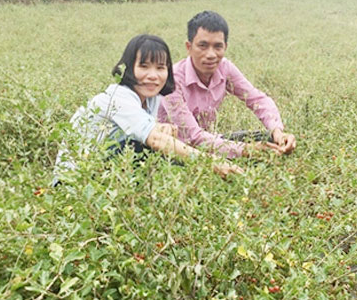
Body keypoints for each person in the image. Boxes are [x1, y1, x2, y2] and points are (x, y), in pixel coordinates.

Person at [53, 34, 242, 184]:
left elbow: (157, 133)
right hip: (74, 183)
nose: (153, 76)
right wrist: (212, 163)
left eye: (160, 68)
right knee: (145, 148)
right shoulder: (118, 97)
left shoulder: (153, 99)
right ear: (127, 69)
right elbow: (156, 140)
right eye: (144, 66)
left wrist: (162, 128)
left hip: (104, 174)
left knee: (164, 152)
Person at [158, 11, 296, 158]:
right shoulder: (171, 79)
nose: (211, 54)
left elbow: (257, 99)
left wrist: (278, 132)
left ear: (225, 47)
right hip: (177, 149)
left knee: (269, 138)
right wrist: (246, 150)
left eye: (218, 47)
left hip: (210, 141)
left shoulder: (225, 68)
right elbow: (192, 137)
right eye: (203, 46)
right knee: (255, 151)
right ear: (189, 47)